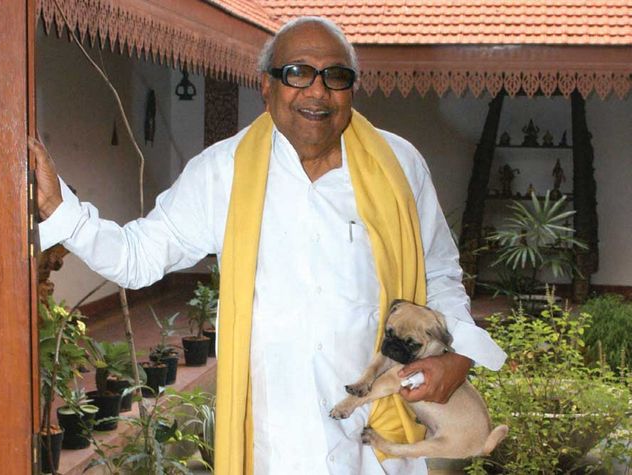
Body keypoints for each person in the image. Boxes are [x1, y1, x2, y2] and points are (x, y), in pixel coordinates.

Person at [31, 16, 506, 475]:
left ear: (351, 89)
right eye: (297, 73)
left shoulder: (399, 165)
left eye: (335, 76)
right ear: (266, 85)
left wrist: (457, 356)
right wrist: (60, 210)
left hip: (378, 433)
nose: (317, 91)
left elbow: (439, 272)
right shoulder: (222, 173)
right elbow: (138, 258)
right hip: (277, 439)